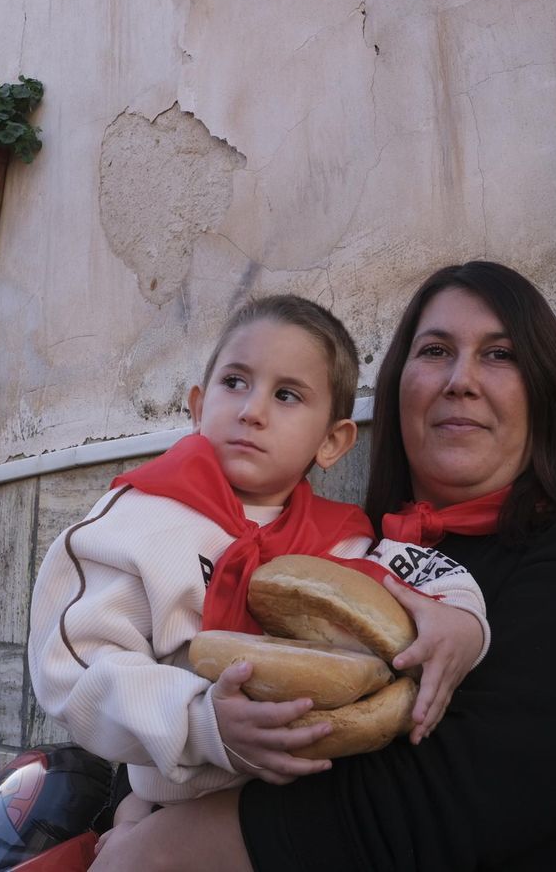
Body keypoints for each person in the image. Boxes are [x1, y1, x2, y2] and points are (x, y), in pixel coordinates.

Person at [92, 262, 556, 872]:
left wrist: (171, 846)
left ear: (545, 392)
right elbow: (190, 670)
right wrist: (136, 805)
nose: (461, 380)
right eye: (435, 351)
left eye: (499, 355)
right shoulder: (333, 556)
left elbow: (452, 795)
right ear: (397, 389)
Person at [28, 295, 490, 841]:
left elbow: (428, 575)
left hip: (297, 824)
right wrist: (201, 721)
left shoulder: (339, 542)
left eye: (287, 394)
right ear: (199, 406)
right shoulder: (141, 519)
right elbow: (73, 666)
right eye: (235, 382)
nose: (253, 410)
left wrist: (464, 622)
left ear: (331, 441)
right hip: (170, 817)